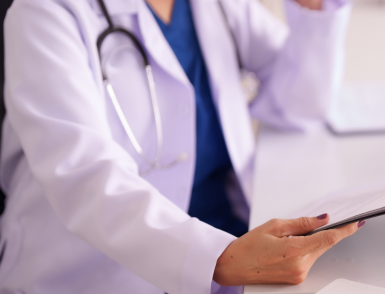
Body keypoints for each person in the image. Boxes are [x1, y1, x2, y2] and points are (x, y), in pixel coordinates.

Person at [0, 0, 360, 292]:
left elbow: (299, 105)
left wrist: (314, 8)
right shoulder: (44, 13)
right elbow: (83, 176)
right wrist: (217, 258)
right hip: (94, 275)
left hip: (229, 247)